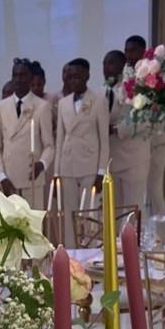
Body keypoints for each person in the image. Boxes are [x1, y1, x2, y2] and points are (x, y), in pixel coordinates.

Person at [54, 58, 110, 244]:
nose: (73, 81)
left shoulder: (98, 101)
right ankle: (71, 254)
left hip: (89, 164)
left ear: (87, 76)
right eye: (70, 77)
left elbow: (104, 139)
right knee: (69, 214)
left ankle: (90, 252)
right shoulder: (63, 103)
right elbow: (60, 139)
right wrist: (56, 172)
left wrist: (101, 172)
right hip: (67, 164)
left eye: (77, 76)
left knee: (89, 213)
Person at [0, 58, 54, 209]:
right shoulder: (1, 106)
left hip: (31, 179)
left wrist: (42, 163)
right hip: (7, 180)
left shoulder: (42, 106)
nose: (18, 79)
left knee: (31, 228)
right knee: (10, 229)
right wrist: (1, 176)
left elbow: (49, 146)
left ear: (30, 78)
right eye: (15, 75)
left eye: (23, 75)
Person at [125, 33, 165, 223]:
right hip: (134, 144)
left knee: (154, 189)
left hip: (155, 140)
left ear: (143, 51)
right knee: (135, 195)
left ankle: (163, 241)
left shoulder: (156, 74)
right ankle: (136, 238)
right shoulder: (125, 74)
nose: (129, 55)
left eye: (133, 50)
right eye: (126, 51)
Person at [103, 49, 149, 213]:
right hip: (112, 160)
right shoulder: (103, 92)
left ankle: (135, 239)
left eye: (111, 63)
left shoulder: (135, 89)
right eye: (104, 64)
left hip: (133, 159)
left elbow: (145, 119)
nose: (106, 68)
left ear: (122, 66)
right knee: (112, 212)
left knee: (133, 211)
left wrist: (116, 129)